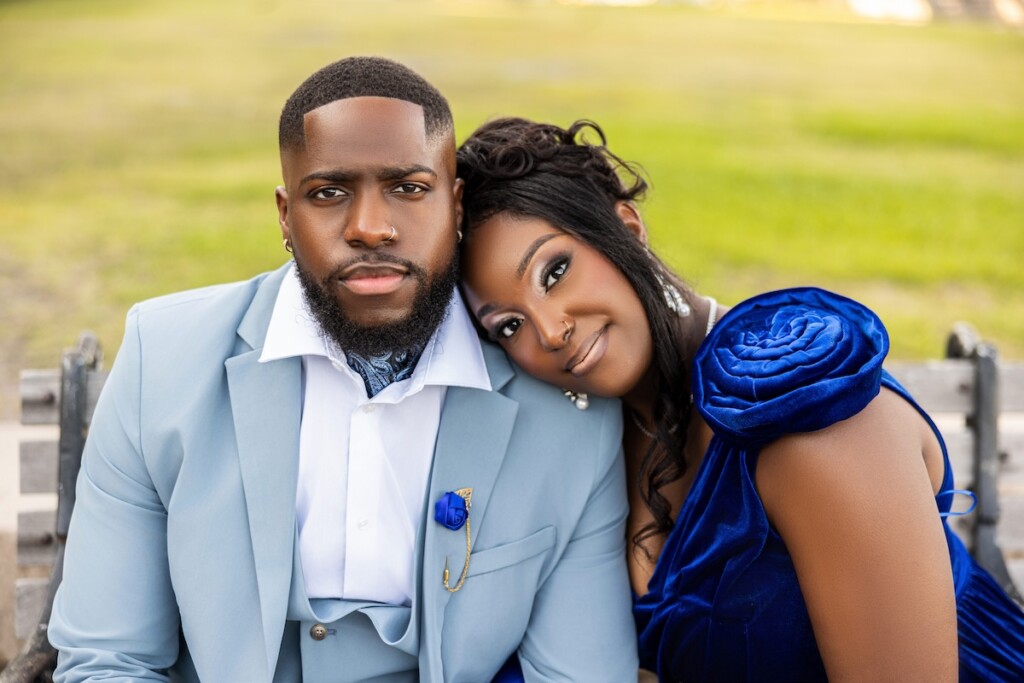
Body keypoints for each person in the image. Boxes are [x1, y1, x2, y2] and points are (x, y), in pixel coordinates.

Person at [47, 59, 640, 682]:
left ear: (456, 205)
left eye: (408, 188)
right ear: (285, 215)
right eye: (329, 193)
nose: (370, 229)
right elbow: (108, 659)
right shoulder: (163, 361)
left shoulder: (564, 412)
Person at [456, 116, 1024, 681]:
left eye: (554, 271)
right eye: (509, 325)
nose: (550, 331)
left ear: (626, 230)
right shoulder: (595, 435)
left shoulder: (801, 401)